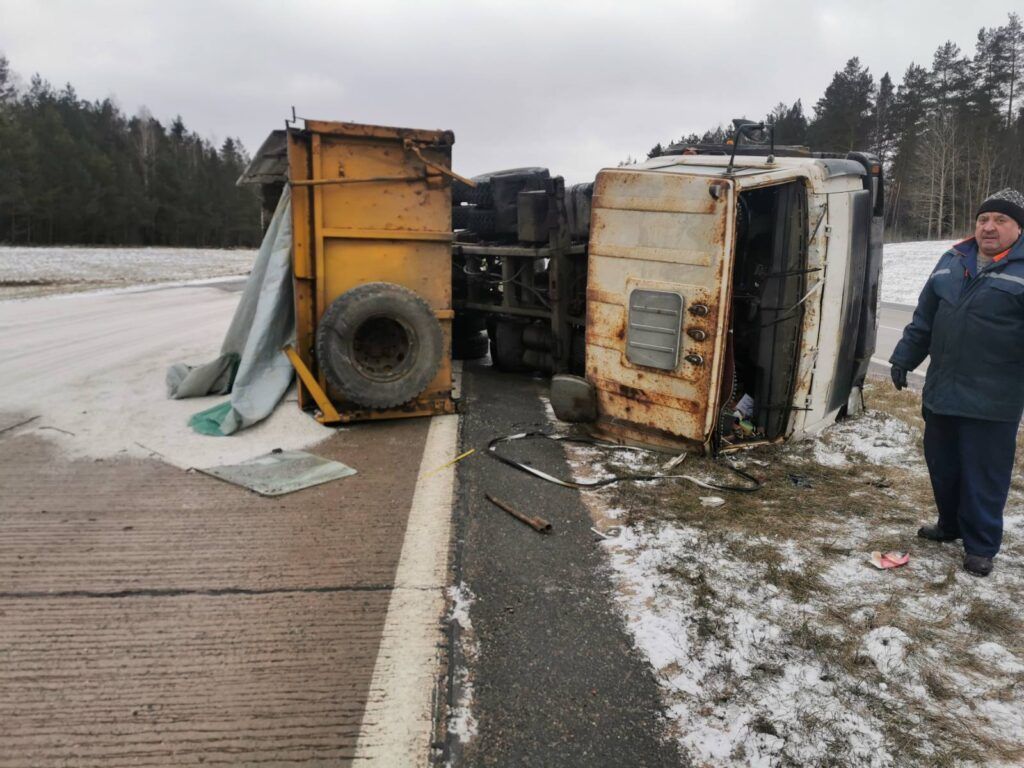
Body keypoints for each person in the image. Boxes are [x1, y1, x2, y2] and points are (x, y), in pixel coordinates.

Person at [889, 188, 1024, 577]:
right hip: (943, 392)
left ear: (1018, 228)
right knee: (943, 466)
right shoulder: (951, 261)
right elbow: (924, 319)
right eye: (984, 219)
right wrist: (903, 357)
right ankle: (950, 525)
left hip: (994, 399)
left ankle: (981, 546)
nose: (989, 227)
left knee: (984, 475)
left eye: (1001, 220)